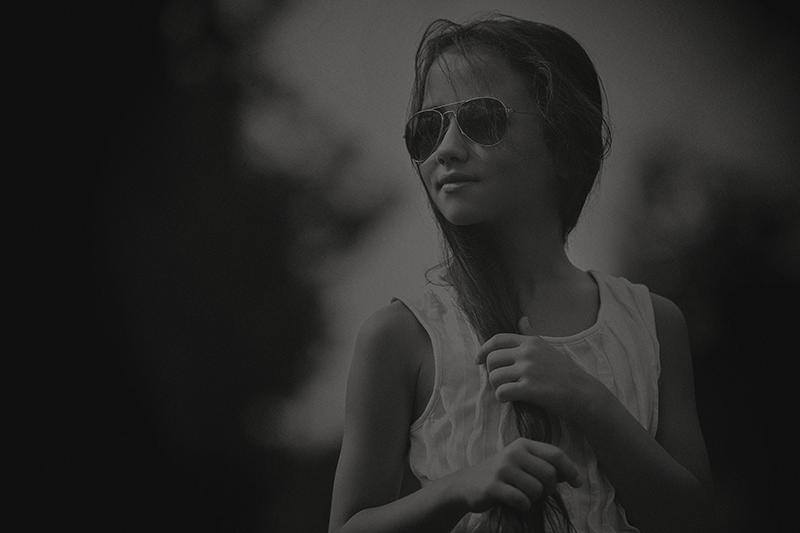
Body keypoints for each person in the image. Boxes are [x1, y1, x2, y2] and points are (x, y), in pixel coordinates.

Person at [328, 14, 712, 533]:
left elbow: (693, 519)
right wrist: (458, 488)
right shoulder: (400, 337)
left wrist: (586, 399)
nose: (446, 148)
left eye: (482, 119)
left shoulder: (654, 325)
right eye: (428, 128)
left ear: (564, 145)